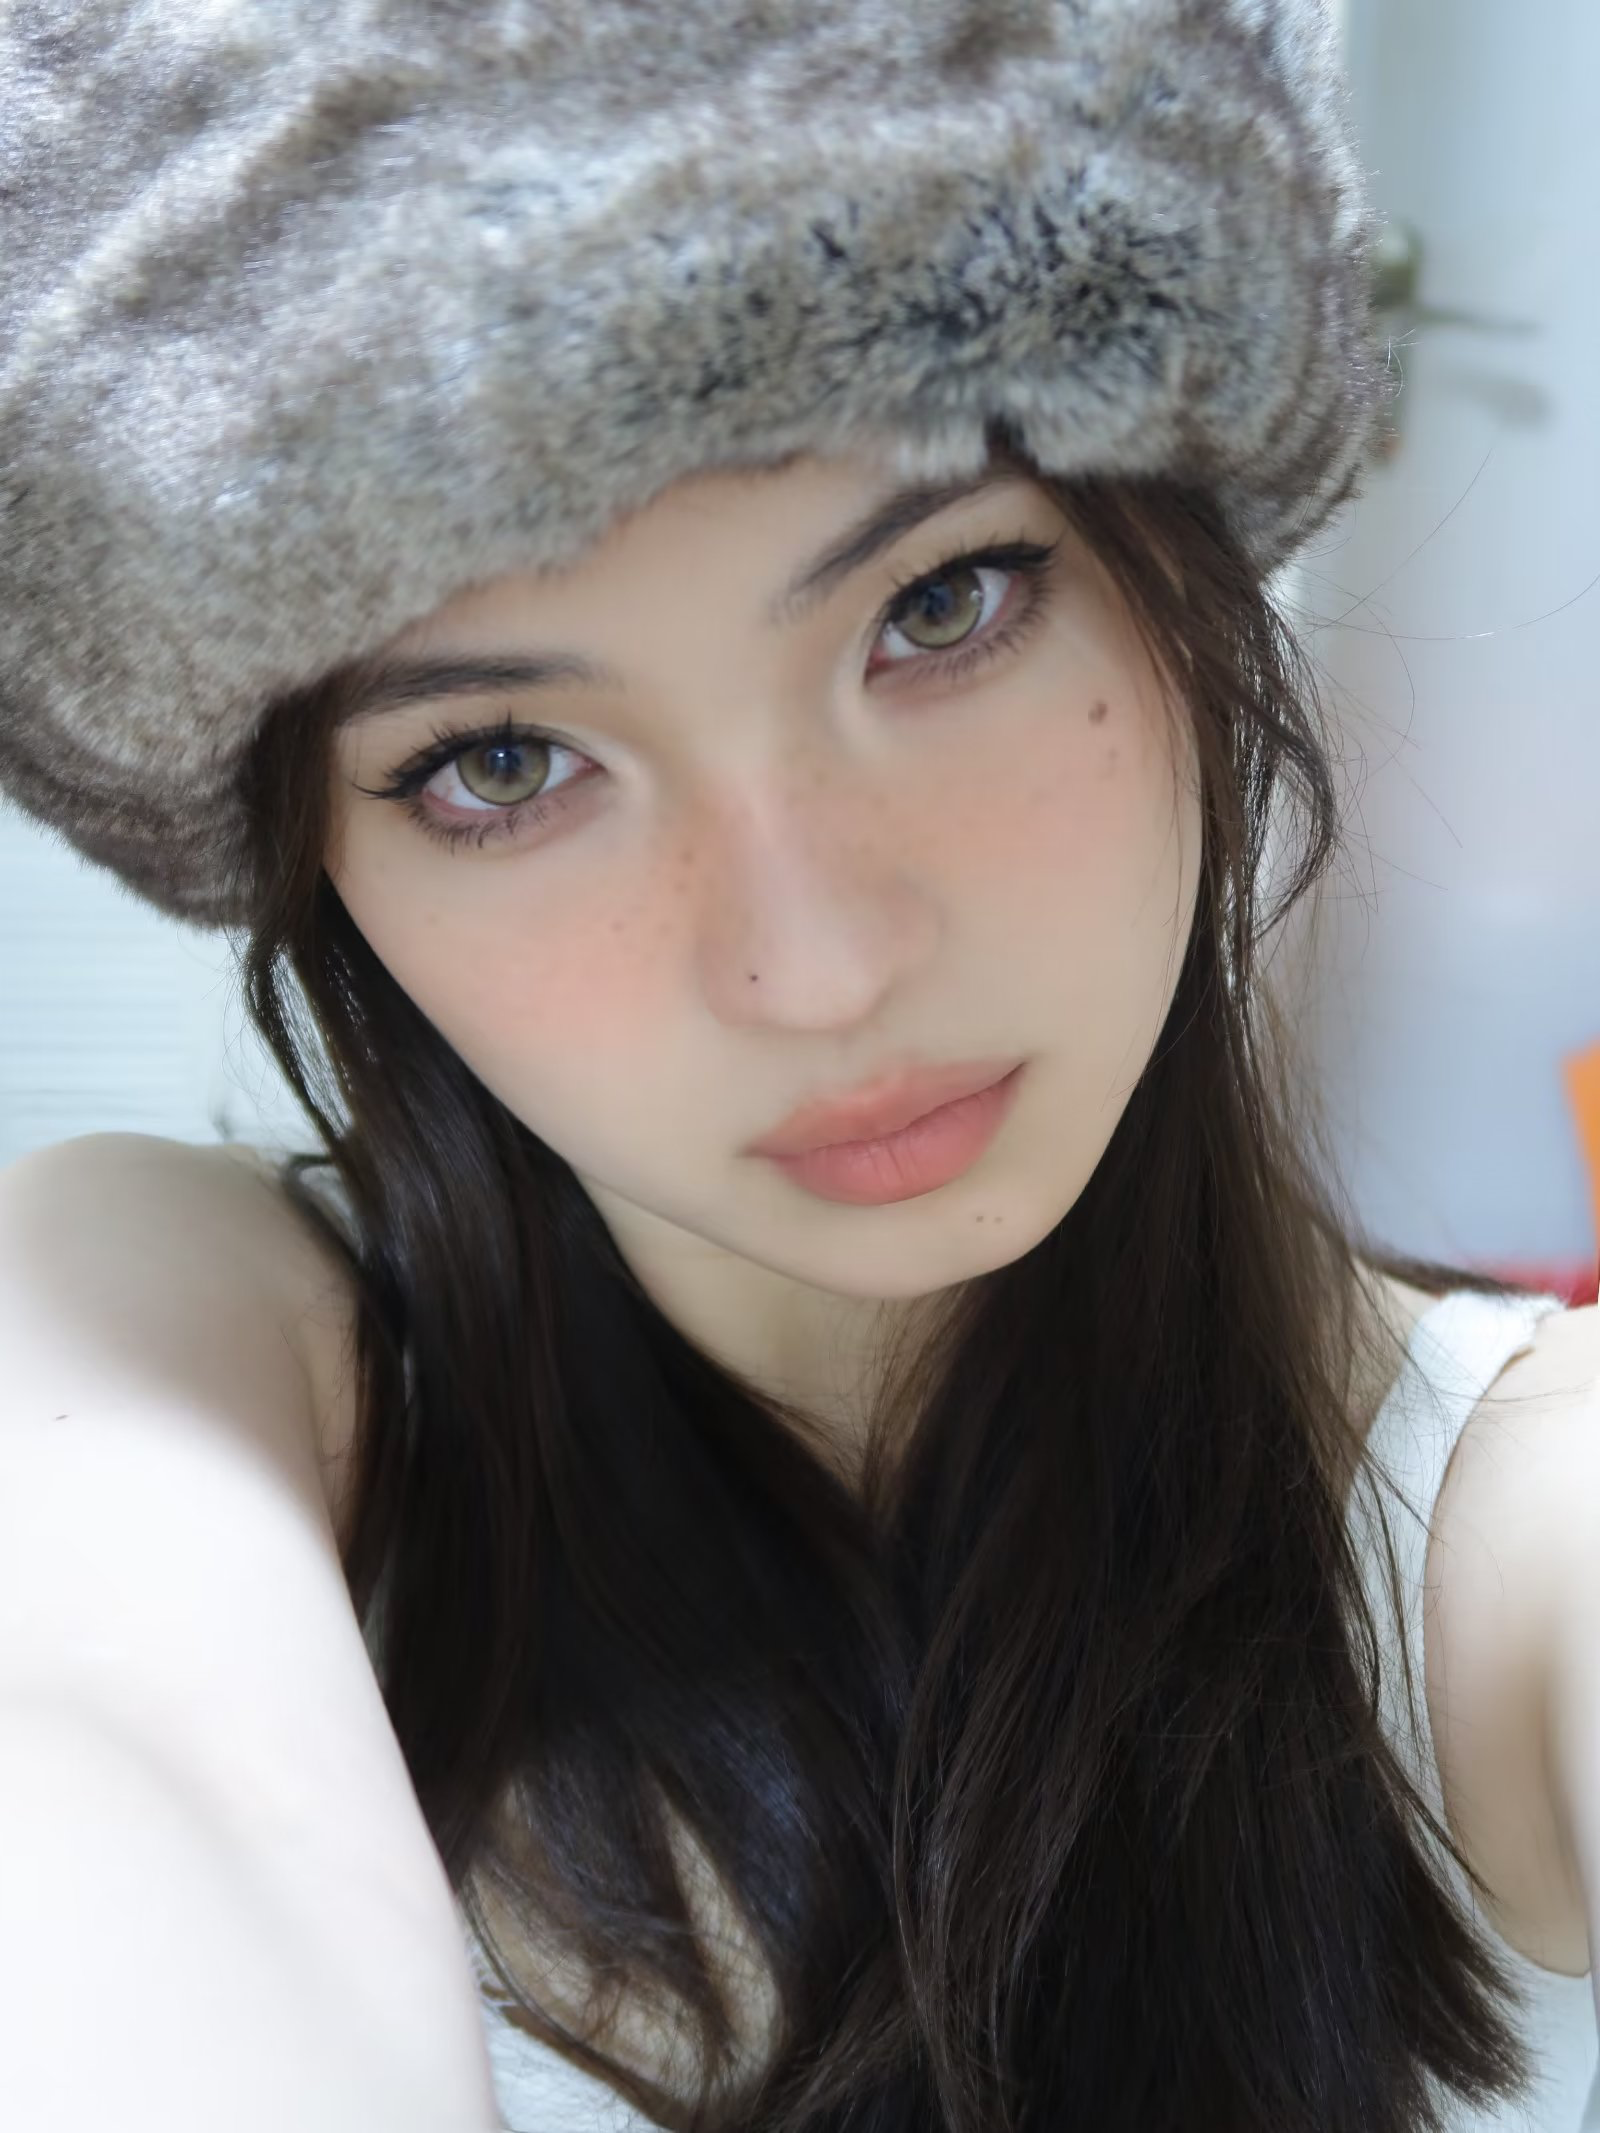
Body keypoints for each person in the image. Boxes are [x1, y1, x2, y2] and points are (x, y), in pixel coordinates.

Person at [1, 4, 1597, 2130]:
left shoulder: (1524, 1533)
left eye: (941, 605)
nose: (818, 966)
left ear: (1187, 587)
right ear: (324, 867)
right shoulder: (174, 1352)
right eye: (504, 761)